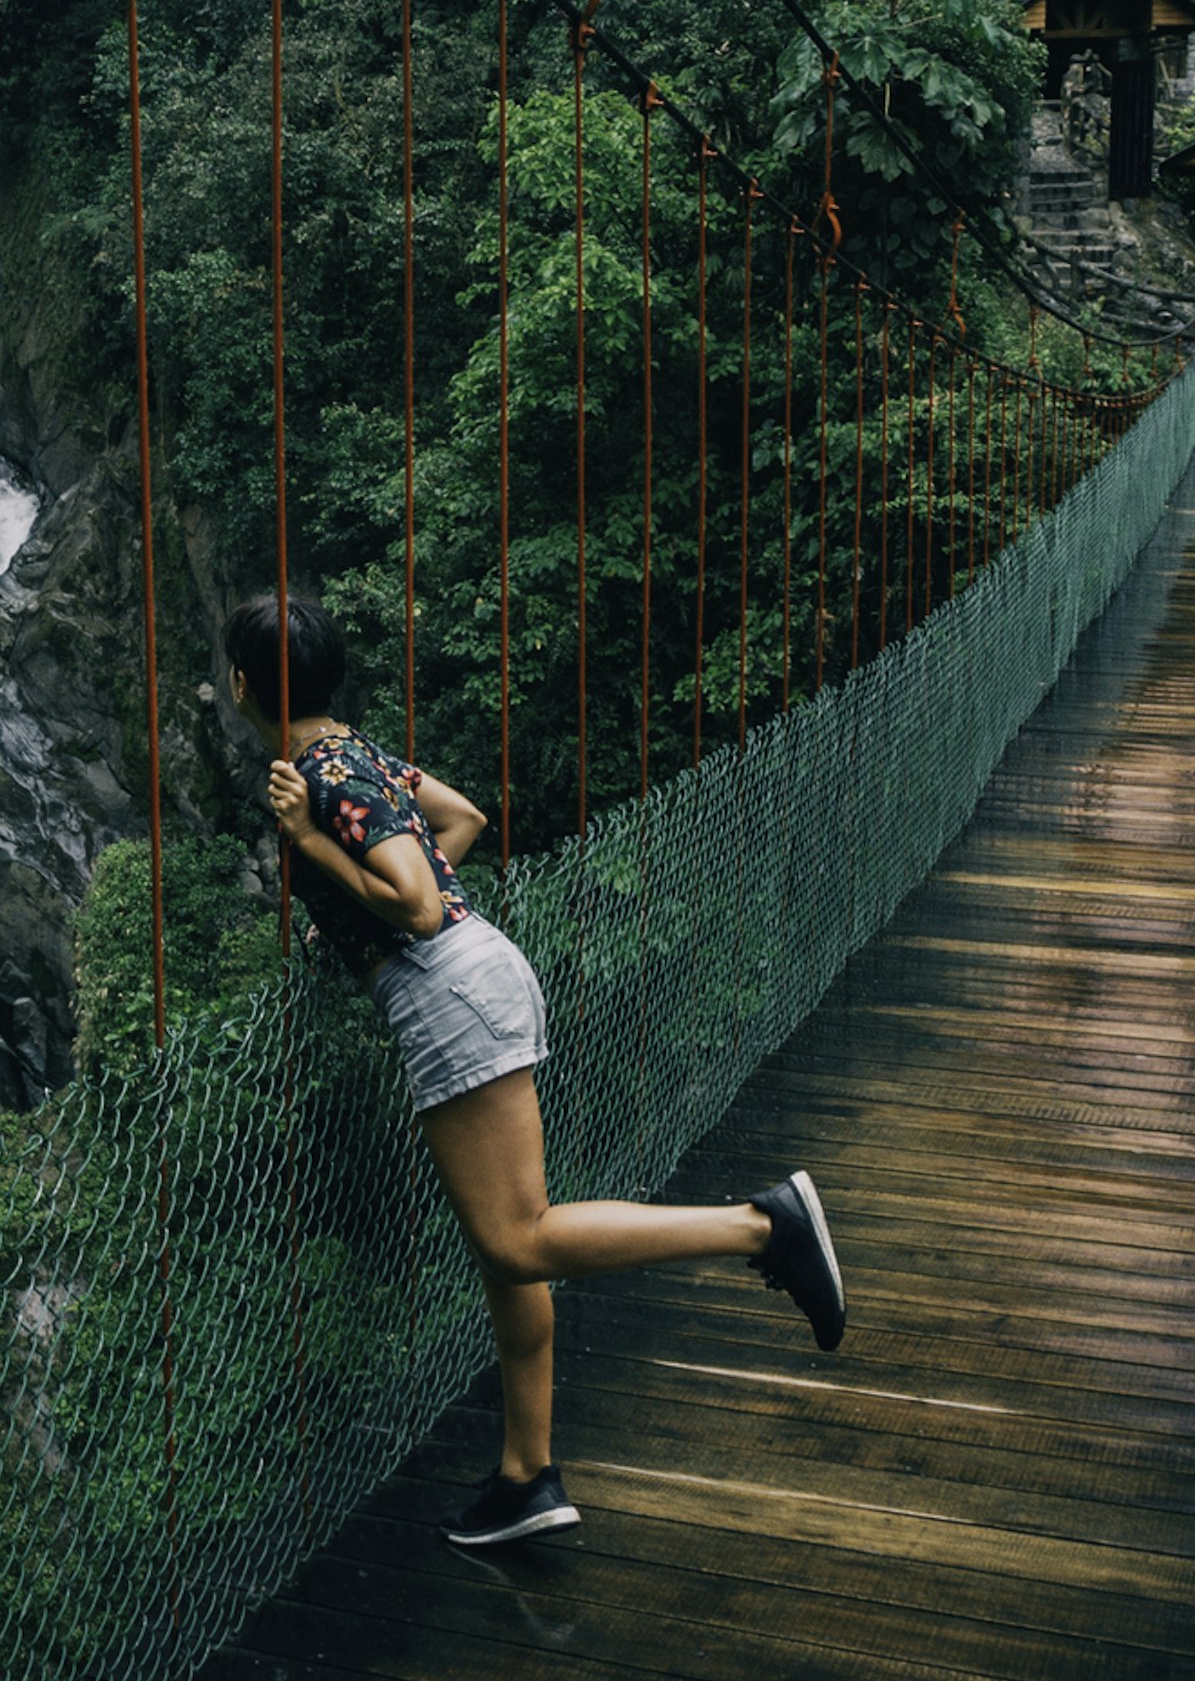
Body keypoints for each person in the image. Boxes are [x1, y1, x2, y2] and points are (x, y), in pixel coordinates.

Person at [224, 590, 846, 1549]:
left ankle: (762, 1226)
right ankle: (526, 1476)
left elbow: (420, 905)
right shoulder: (355, 754)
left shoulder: (321, 777)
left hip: (443, 986)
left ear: (242, 686)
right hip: (475, 974)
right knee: (506, 1256)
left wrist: (314, 849)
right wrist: (354, 914)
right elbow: (458, 817)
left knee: (519, 1243)